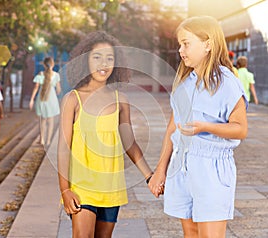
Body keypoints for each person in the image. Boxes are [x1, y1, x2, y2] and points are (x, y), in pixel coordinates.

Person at [148, 16, 248, 238]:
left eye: (186, 43)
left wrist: (206, 127)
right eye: (179, 44)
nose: (181, 50)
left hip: (211, 169)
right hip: (182, 165)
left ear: (208, 44)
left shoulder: (227, 82)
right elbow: (172, 130)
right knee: (190, 233)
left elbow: (240, 128)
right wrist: (160, 171)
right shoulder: (184, 83)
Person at [57, 31, 153, 237]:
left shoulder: (121, 100)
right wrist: (65, 190)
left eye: (110, 58)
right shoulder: (72, 99)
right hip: (82, 187)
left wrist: (149, 176)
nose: (104, 63)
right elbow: (63, 149)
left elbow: (130, 144)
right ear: (85, 61)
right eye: (97, 57)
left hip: (111, 188)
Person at [29, 57, 61, 147]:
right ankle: (48, 141)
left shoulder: (40, 74)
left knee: (42, 120)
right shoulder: (56, 75)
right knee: (51, 121)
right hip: (52, 99)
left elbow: (36, 87)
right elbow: (58, 90)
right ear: (53, 64)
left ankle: (42, 139)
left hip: (42, 98)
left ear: (44, 64)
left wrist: (32, 99)